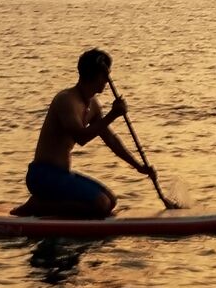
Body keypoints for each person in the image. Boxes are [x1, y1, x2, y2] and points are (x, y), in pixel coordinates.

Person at [22, 47, 157, 221]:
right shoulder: (66, 100)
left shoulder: (93, 104)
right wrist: (113, 115)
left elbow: (110, 139)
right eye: (106, 76)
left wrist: (139, 166)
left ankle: (48, 203)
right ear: (98, 76)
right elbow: (81, 137)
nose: (108, 81)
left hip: (62, 174)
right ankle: (38, 205)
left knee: (110, 201)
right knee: (100, 205)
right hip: (42, 176)